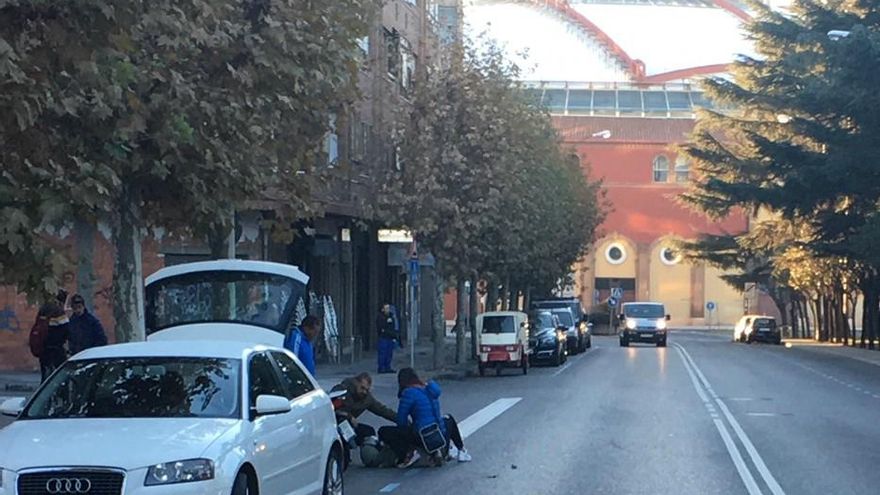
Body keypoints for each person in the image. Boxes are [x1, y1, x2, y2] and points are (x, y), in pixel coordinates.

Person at [379, 368, 470, 468]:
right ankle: (461, 450)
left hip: (422, 435)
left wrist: (409, 428)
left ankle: (407, 454)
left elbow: (401, 421)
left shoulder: (408, 393)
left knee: (384, 431)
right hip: (439, 434)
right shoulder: (430, 390)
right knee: (449, 418)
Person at [330, 372, 397, 464]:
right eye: (362, 388)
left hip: (351, 426)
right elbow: (332, 407)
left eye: (367, 390)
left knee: (368, 431)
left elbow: (382, 410)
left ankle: (370, 458)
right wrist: (349, 416)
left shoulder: (366, 399)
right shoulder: (341, 390)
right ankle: (343, 458)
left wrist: (400, 419)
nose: (364, 392)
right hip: (334, 425)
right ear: (355, 383)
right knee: (345, 430)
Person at [40, 303, 70, 382]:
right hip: (57, 350)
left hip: (44, 350)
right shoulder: (59, 312)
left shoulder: (43, 309)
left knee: (45, 379)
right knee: (61, 378)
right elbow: (67, 330)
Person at [376, 304, 398, 374]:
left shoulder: (391, 316)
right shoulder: (380, 317)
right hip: (383, 338)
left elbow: (393, 326)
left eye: (388, 308)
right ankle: (381, 368)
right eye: (386, 308)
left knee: (389, 353)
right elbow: (381, 328)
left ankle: (387, 367)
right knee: (383, 353)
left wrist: (394, 336)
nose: (388, 309)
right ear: (382, 309)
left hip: (390, 338)